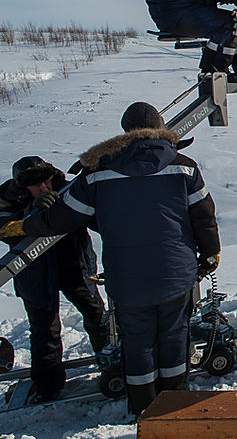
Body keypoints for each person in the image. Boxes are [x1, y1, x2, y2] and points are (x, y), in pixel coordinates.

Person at [22, 102, 221, 415]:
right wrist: (211, 253)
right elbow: (204, 216)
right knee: (173, 336)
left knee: (138, 341)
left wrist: (28, 222)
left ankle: (142, 407)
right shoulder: (184, 166)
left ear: (126, 131)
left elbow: (61, 219)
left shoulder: (97, 173)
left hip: (127, 280)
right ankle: (173, 405)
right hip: (175, 274)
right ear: (159, 127)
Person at [0, 157, 108, 403]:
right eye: (37, 186)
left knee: (97, 315)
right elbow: (4, 228)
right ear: (23, 187)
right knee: (45, 330)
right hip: (35, 273)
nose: (45, 189)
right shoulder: (8, 198)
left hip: (75, 264)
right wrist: (31, 213)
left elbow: (94, 215)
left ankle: (112, 361)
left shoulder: (67, 189)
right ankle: (48, 386)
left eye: (47, 182)